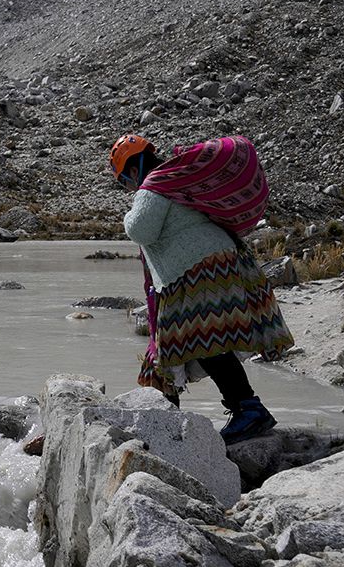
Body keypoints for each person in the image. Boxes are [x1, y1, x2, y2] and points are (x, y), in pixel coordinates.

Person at [113, 134, 293, 444]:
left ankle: (245, 411)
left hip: (198, 270)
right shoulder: (174, 179)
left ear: (131, 170)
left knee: (201, 340)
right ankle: (174, 419)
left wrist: (128, 214)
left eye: (122, 183)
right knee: (196, 343)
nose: (127, 189)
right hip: (215, 265)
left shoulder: (152, 186)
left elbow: (141, 229)